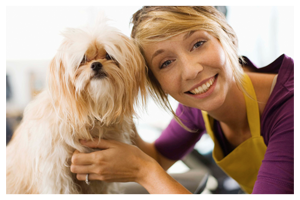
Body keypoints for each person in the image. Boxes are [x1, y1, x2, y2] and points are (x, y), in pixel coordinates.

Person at [70, 4, 295, 196]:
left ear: (227, 37)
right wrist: (116, 100)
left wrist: (144, 171)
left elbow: (150, 165)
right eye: (166, 63)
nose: (191, 71)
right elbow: (158, 157)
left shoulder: (291, 108)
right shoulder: (198, 106)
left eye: (198, 44)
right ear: (155, 83)